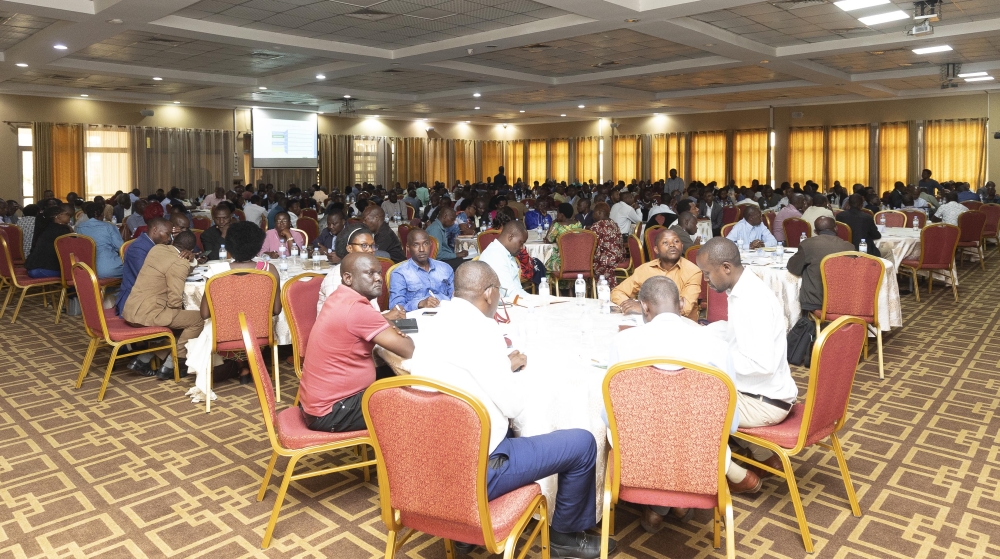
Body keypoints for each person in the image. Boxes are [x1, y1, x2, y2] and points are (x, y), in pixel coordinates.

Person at [410, 261, 612, 559]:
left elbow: (464, 370)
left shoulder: (436, 322)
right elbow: (514, 405)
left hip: (431, 462)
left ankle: (466, 529)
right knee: (581, 444)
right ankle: (563, 538)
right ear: (490, 294)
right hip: (481, 466)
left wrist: (502, 366)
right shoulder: (481, 329)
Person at [607, 275, 736, 532]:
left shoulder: (623, 342)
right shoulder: (716, 345)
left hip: (639, 461)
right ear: (680, 305)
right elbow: (731, 426)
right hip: (699, 461)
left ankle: (656, 507)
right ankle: (677, 503)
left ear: (644, 307)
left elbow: (608, 417)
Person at [697, 238, 797, 495]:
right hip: (767, 392)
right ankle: (764, 456)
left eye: (708, 273)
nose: (705, 279)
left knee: (689, 401)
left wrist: (714, 359)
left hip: (765, 402)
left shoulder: (752, 301)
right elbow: (739, 336)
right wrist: (708, 333)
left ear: (726, 267)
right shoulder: (743, 289)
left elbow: (759, 363)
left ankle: (738, 475)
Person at [299, 253, 414, 433]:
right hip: (332, 411)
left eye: (378, 273)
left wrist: (386, 324)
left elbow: (379, 323)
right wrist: (395, 330)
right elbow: (408, 350)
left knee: (392, 374)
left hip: (318, 403)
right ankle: (401, 458)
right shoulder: (357, 309)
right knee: (415, 402)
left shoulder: (341, 297)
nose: (378, 278)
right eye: (370, 273)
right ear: (348, 278)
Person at [191, 221, 281, 388]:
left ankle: (242, 367)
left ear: (229, 248)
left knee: (226, 321)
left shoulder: (215, 273)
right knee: (249, 320)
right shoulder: (270, 270)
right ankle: (252, 366)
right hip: (260, 335)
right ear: (258, 246)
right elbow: (276, 310)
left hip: (223, 338)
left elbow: (204, 314)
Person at [122, 231, 204, 380]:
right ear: (190, 250)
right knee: (198, 319)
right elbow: (174, 300)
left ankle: (142, 360)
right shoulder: (180, 263)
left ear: (173, 241)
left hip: (131, 309)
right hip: (147, 315)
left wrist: (190, 261)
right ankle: (177, 363)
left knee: (182, 321)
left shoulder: (157, 249)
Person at [611, 228, 701, 321]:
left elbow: (684, 308)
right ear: (656, 249)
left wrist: (644, 308)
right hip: (649, 324)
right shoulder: (645, 269)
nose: (672, 245)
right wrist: (629, 305)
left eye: (676, 241)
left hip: (682, 325)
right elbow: (617, 292)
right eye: (665, 243)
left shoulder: (693, 271)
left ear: (682, 246)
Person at [786, 217, 855, 313]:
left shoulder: (808, 244)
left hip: (815, 302)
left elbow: (793, 268)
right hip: (843, 302)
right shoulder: (849, 246)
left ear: (815, 231)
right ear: (836, 228)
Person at [388, 228, 454, 311]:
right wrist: (419, 304)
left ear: (430, 244)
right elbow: (396, 307)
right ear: (408, 247)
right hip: (418, 319)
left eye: (425, 244)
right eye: (416, 245)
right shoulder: (400, 273)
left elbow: (455, 297)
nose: (422, 249)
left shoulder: (445, 268)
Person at [478, 219, 530, 298]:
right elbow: (512, 294)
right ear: (510, 237)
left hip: (509, 302)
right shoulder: (495, 255)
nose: (522, 247)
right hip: (500, 306)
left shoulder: (506, 253)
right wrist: (534, 301)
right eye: (521, 243)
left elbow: (517, 289)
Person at [74, 202, 124, 279]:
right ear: (102, 214)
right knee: (133, 267)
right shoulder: (109, 226)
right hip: (108, 268)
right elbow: (121, 247)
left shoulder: (79, 227)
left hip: (87, 269)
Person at [24, 205, 73, 278]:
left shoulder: (46, 227)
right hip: (44, 270)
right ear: (58, 217)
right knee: (76, 272)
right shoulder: (62, 230)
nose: (70, 217)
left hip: (32, 269)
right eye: (67, 214)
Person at [589, 202, 625, 287]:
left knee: (586, 260)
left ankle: (592, 288)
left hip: (606, 259)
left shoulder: (597, 226)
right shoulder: (614, 223)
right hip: (619, 257)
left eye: (594, 213)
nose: (593, 216)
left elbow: (590, 245)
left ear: (599, 212)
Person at [544, 203, 583, 271]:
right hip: (577, 258)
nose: (557, 215)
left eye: (558, 213)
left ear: (562, 215)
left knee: (545, 263)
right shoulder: (578, 223)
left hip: (562, 260)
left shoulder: (557, 225)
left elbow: (548, 240)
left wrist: (552, 223)